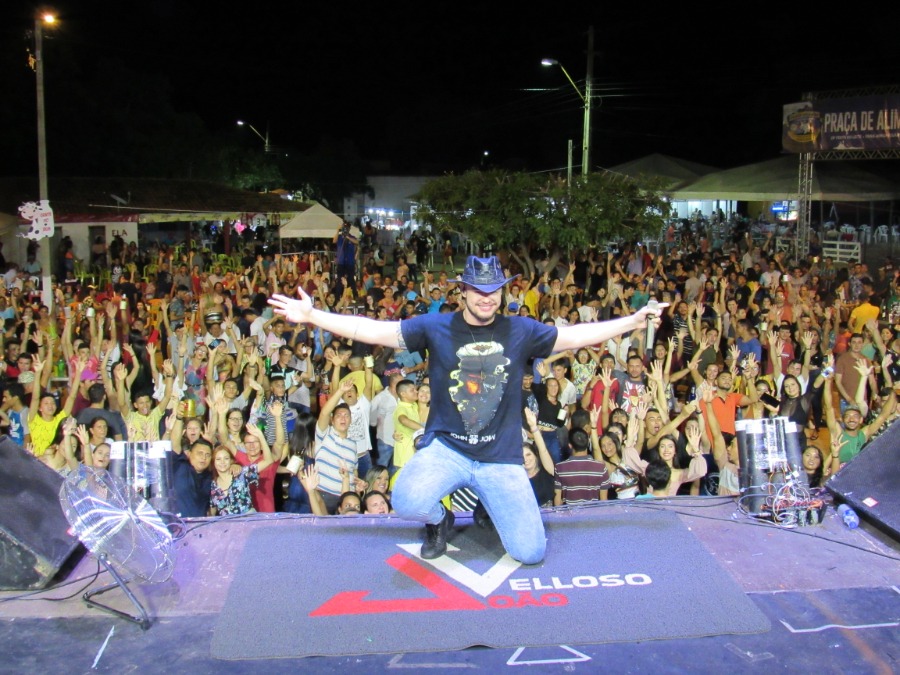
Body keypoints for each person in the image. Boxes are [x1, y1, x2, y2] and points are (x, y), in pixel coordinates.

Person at [269, 255, 663, 564]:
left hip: (501, 458)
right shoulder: (435, 326)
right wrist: (313, 315)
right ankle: (440, 521)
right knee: (405, 498)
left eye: (494, 290)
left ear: (503, 292)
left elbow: (576, 336)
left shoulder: (521, 330)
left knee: (531, 553)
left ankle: (486, 503)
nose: (486, 297)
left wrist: (632, 320)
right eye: (478, 289)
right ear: (463, 291)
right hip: (448, 450)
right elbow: (372, 330)